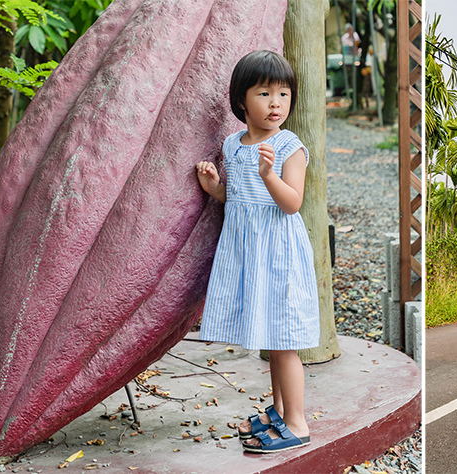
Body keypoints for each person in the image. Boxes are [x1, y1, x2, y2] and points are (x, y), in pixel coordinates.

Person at [195, 50, 319, 454]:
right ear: (241, 102)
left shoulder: (289, 146)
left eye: (284, 94)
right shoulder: (234, 145)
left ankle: (298, 424)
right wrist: (216, 190)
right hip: (251, 256)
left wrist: (269, 175)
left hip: (279, 255)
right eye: (264, 93)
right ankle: (282, 412)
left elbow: (291, 203)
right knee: (272, 338)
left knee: (285, 342)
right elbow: (240, 196)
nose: (275, 103)